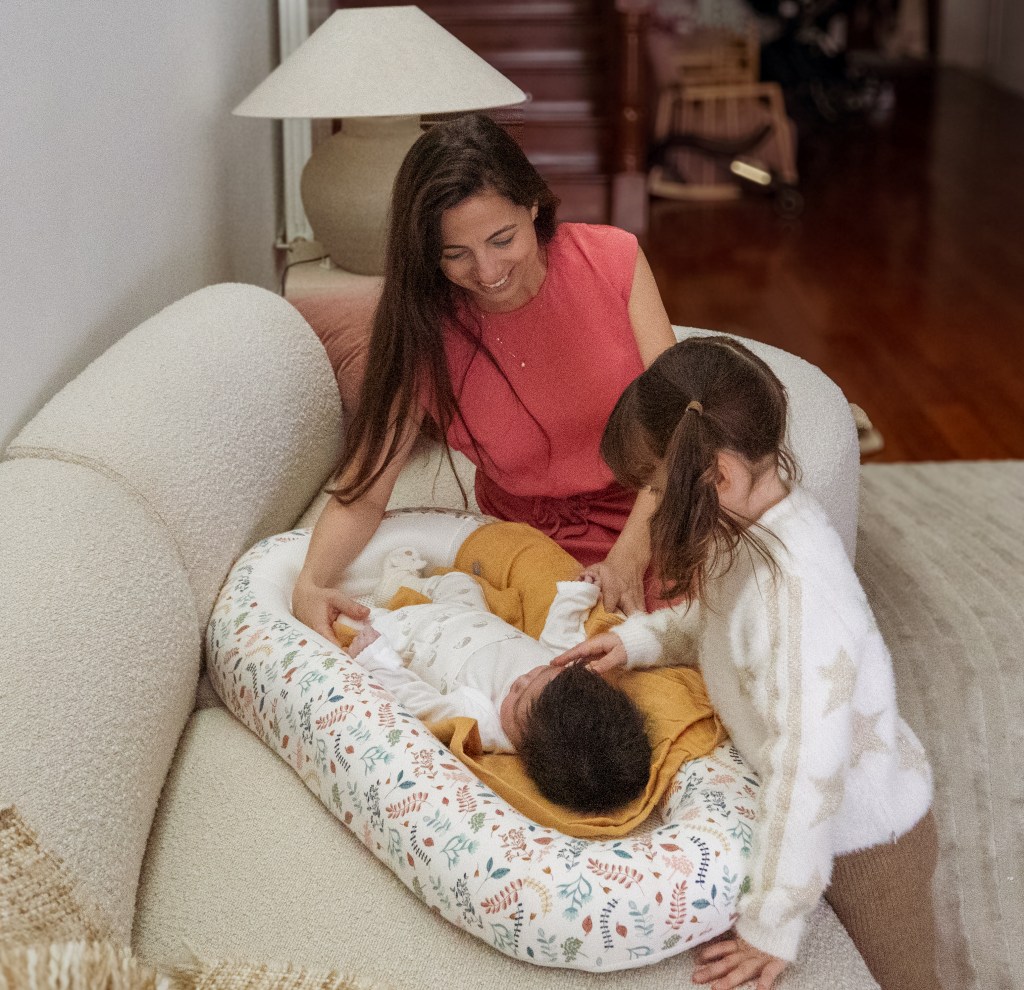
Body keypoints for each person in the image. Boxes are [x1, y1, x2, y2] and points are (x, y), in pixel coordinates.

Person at [552, 337, 937, 990]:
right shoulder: (745, 525)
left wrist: (770, 924)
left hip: (870, 833)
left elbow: (809, 773)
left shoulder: (797, 597)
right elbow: (715, 618)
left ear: (719, 477)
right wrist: (638, 643)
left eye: (657, 488)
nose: (651, 504)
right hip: (824, 799)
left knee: (905, 978)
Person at [292, 112, 677, 641]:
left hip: (653, 513)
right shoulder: (424, 329)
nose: (488, 272)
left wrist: (629, 557)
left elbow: (681, 433)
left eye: (502, 239)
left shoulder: (613, 259)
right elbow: (366, 489)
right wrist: (310, 583)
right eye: (456, 255)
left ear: (532, 204)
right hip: (524, 545)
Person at [345, 556, 651, 814]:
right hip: (471, 614)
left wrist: (379, 660)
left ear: (525, 752)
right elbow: (560, 635)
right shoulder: (565, 677)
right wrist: (577, 596)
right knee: (462, 582)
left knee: (357, 627)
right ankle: (405, 585)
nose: (522, 680)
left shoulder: (486, 723)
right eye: (540, 672)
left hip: (417, 637)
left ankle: (389, 601)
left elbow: (423, 703)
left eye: (517, 698)